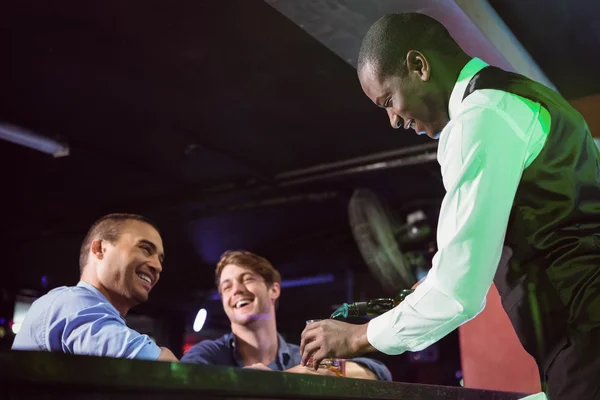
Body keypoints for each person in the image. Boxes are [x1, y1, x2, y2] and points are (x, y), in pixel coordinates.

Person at [300, 13, 600, 399]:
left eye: (389, 100)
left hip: (587, 337)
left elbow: (459, 290)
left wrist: (358, 337)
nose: (393, 120)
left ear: (418, 66)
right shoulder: (522, 97)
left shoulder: (479, 117)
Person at [182, 250, 391, 381]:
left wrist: (322, 370)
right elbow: (180, 383)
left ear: (274, 290)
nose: (236, 290)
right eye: (226, 287)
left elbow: (378, 373)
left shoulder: (302, 357)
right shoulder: (210, 354)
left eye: (247, 279)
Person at [12, 213, 178, 362]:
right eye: (145, 249)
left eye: (160, 259)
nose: (157, 266)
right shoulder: (69, 303)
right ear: (99, 249)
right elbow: (167, 371)